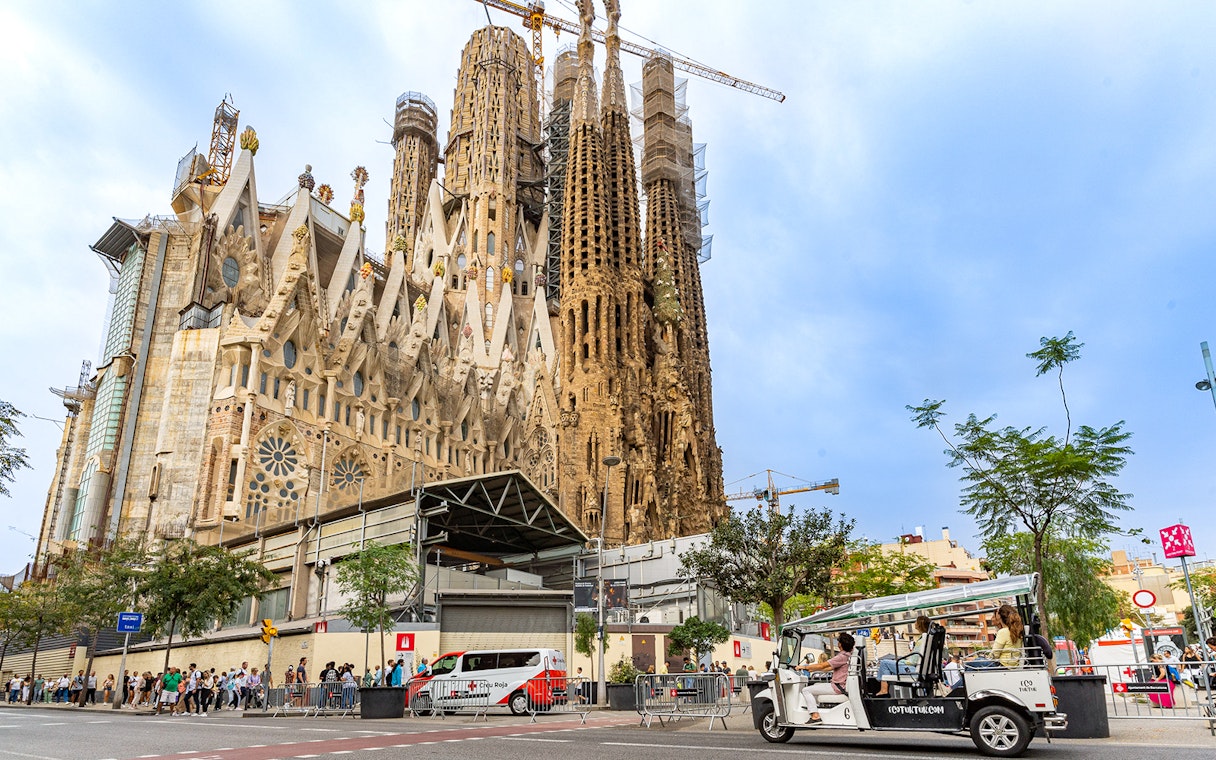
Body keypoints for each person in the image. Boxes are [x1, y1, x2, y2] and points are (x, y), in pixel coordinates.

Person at [797, 632, 854, 724]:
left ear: (840, 644)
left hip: (837, 687)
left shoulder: (841, 656)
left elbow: (822, 665)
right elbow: (830, 667)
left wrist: (804, 667)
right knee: (816, 685)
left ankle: (815, 716)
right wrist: (812, 669)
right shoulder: (849, 655)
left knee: (806, 690)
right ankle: (815, 708)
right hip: (841, 685)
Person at [876, 616, 931, 696]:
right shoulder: (927, 638)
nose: (914, 623)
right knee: (889, 664)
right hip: (920, 670)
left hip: (913, 671)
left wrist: (901, 660)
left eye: (916, 621)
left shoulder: (921, 641)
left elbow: (913, 661)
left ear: (919, 625)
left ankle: (884, 690)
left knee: (884, 663)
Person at [967, 605, 1024, 670]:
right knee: (977, 660)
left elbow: (994, 655)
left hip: (1002, 666)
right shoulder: (1017, 630)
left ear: (999, 616)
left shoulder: (1003, 632)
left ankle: (964, 679)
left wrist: (986, 657)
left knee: (970, 664)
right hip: (1011, 665)